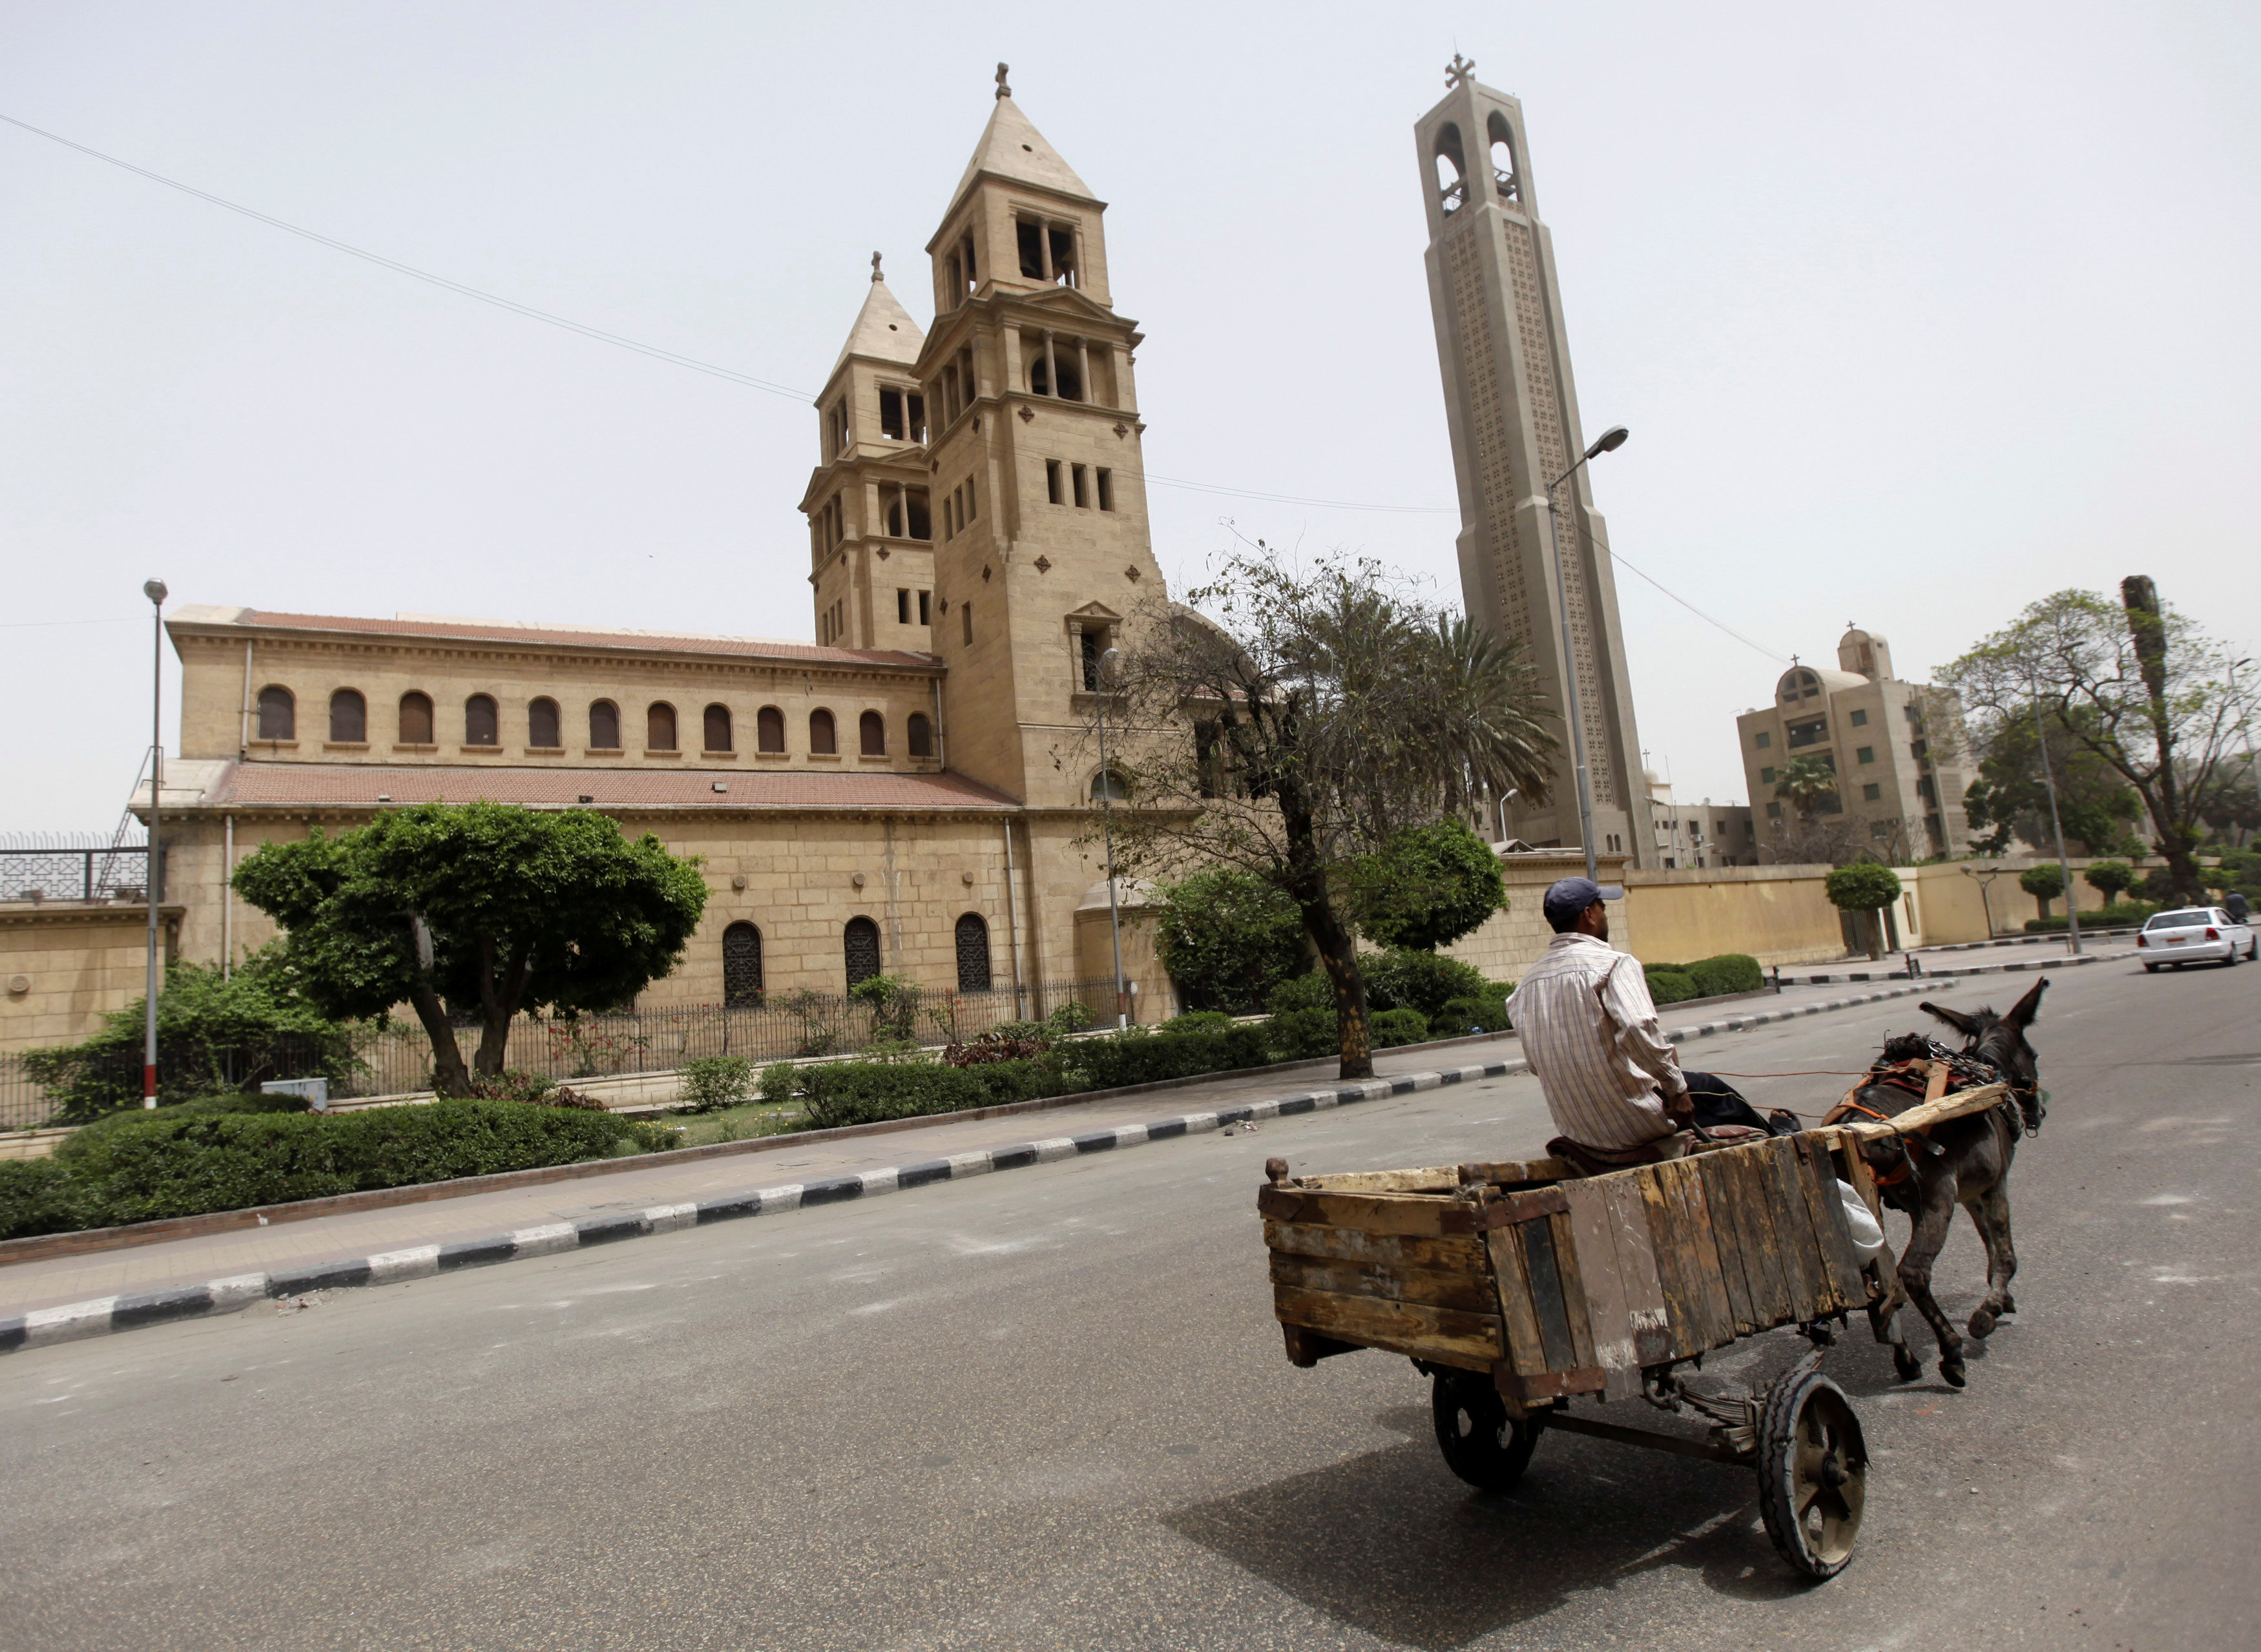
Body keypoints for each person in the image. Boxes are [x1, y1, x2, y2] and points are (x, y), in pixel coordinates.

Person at [1505, 876, 1776, 1175]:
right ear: (1589, 915)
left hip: (1580, 1130)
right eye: (1602, 907)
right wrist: (1676, 1090)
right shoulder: (1612, 964)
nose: (1605, 914)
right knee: (1712, 1089)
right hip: (1633, 1122)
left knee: (1696, 1084)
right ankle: (1780, 1145)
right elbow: (1638, 1028)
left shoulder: (1524, 988)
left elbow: (1535, 1064)